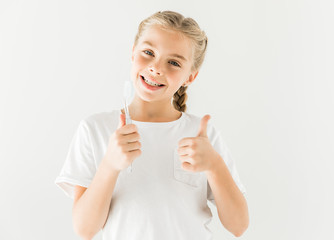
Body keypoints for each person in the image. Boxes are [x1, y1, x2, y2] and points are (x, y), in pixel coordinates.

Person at [55, 10, 249, 240]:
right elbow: (85, 230)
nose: (156, 68)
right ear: (132, 52)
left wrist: (215, 166)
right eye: (148, 52)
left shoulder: (201, 136)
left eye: (174, 62)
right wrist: (109, 165)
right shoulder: (95, 129)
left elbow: (238, 226)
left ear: (191, 77)